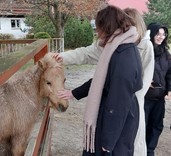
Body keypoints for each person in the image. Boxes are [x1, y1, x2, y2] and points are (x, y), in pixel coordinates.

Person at [54, 8, 154, 156]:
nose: (97, 32)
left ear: (107, 27)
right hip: (114, 113)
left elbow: (119, 103)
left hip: (120, 117)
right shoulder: (115, 48)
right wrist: (74, 93)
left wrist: (108, 140)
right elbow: (103, 79)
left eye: (98, 27)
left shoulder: (123, 55)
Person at [144, 22, 171, 156]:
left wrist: (169, 89)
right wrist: (144, 80)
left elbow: (170, 73)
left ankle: (150, 152)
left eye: (163, 34)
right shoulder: (144, 51)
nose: (161, 37)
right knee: (143, 126)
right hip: (145, 98)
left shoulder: (166, 54)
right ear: (151, 33)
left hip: (159, 98)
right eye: (158, 34)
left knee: (156, 127)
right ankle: (140, 151)